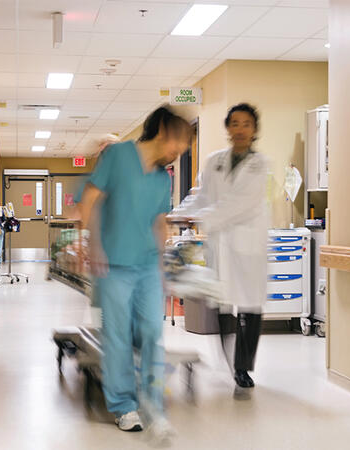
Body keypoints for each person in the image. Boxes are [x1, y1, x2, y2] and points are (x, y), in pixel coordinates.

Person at [78, 106, 191, 436]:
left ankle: (155, 405)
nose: (179, 151)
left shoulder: (161, 177)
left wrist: (162, 268)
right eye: (179, 143)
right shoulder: (118, 155)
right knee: (118, 339)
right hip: (112, 264)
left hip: (146, 267)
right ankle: (123, 406)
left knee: (154, 335)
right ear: (163, 132)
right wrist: (92, 244)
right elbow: (91, 196)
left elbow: (159, 221)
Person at [169, 103, 268, 394]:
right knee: (222, 302)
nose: (240, 129)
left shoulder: (261, 165)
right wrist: (176, 216)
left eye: (246, 124)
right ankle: (231, 361)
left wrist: (201, 218)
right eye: (235, 123)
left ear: (254, 130)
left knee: (249, 305)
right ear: (227, 128)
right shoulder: (214, 161)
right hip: (222, 244)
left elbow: (241, 203)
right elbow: (200, 196)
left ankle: (243, 367)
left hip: (248, 243)